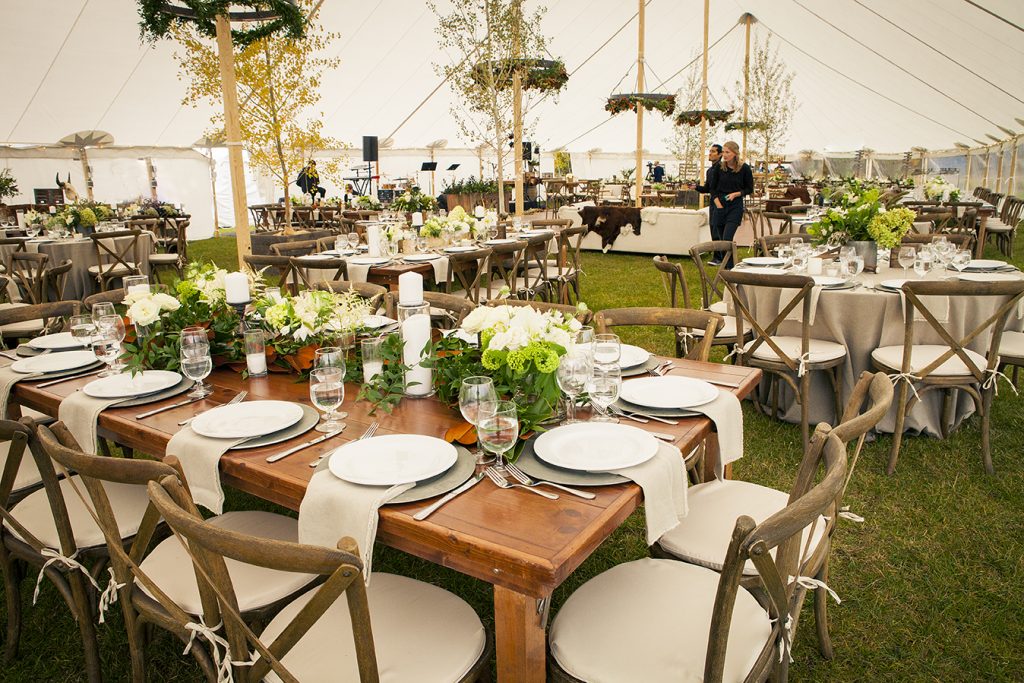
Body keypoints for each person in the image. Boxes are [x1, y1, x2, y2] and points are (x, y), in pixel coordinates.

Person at [707, 141, 753, 267]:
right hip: (719, 206)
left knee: (727, 239)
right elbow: (712, 189)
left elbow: (749, 189)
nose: (725, 155)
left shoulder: (744, 168)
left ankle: (730, 271)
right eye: (724, 152)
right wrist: (718, 204)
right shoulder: (719, 168)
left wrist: (736, 194)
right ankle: (729, 270)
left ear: (735, 153)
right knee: (722, 243)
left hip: (735, 207)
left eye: (727, 152)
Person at [691, 144, 723, 258]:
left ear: (720, 154)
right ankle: (718, 256)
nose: (710, 153)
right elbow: (708, 189)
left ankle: (720, 257)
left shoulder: (722, 169)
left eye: (713, 151)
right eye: (710, 151)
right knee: (713, 228)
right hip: (713, 203)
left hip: (721, 202)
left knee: (718, 229)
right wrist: (696, 187)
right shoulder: (709, 171)